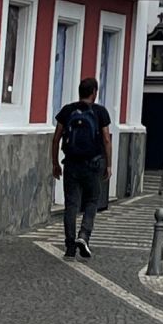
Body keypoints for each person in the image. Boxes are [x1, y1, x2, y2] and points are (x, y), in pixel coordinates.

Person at [52, 76, 112, 258]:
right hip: (93, 164)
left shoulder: (67, 111)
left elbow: (56, 138)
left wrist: (55, 163)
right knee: (92, 201)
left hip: (71, 164)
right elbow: (106, 139)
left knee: (71, 204)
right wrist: (108, 165)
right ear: (94, 93)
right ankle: (84, 235)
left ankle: (69, 245)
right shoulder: (100, 112)